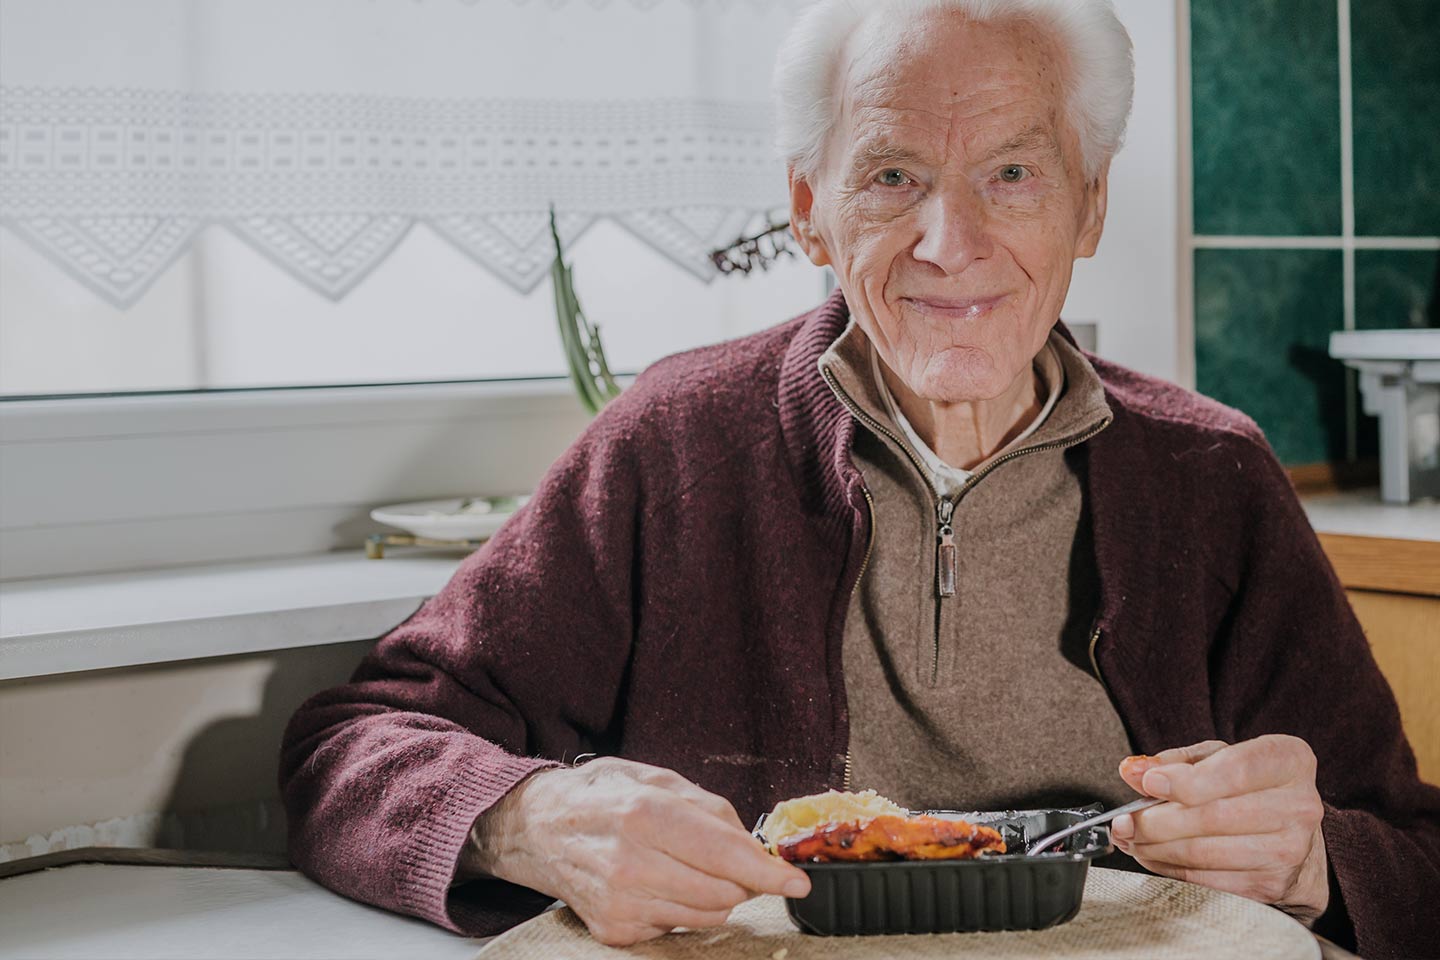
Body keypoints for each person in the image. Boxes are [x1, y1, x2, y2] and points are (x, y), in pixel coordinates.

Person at [279, 1, 1440, 955]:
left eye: (1015, 173)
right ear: (809, 210)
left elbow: (1417, 858)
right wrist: (529, 820)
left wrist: (1311, 857)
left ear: (1089, 203)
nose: (950, 240)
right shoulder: (675, 445)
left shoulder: (1211, 472)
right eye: (890, 175)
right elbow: (359, 744)